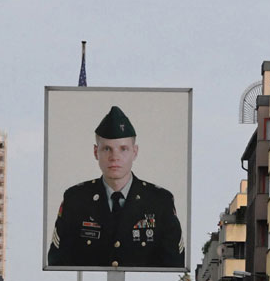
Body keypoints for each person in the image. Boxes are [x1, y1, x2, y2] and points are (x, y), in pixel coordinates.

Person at [47, 105, 185, 269]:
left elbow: (174, 263)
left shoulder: (160, 201)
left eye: (123, 149)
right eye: (107, 149)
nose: (114, 157)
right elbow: (58, 262)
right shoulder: (76, 199)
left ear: (135, 152)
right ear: (95, 152)